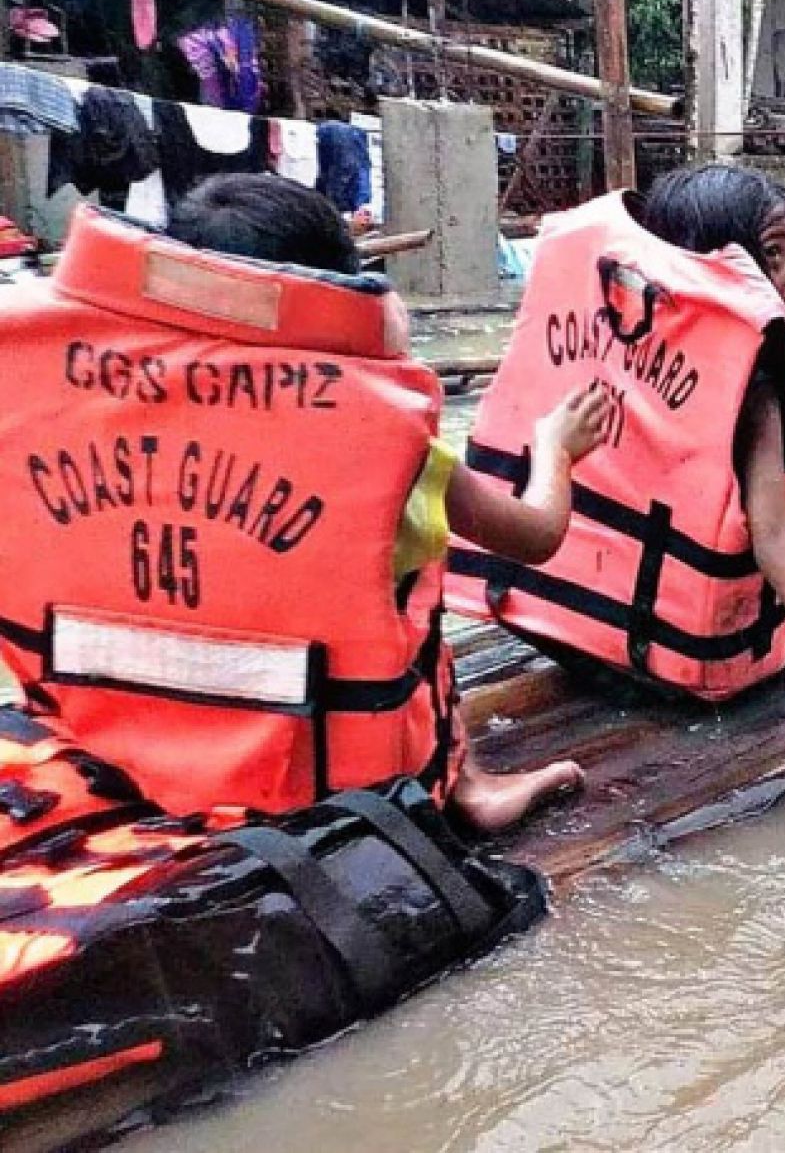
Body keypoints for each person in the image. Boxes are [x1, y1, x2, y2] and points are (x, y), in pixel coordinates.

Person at [0, 175, 590, 832]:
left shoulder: (45, 392)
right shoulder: (383, 431)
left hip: (107, 755)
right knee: (411, 584)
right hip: (324, 784)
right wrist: (556, 447)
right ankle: (467, 789)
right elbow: (535, 535)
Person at [447, 170, 785, 713]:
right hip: (687, 663)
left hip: (558, 627)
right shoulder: (747, 375)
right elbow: (774, 540)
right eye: (774, 257)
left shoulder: (595, 322)